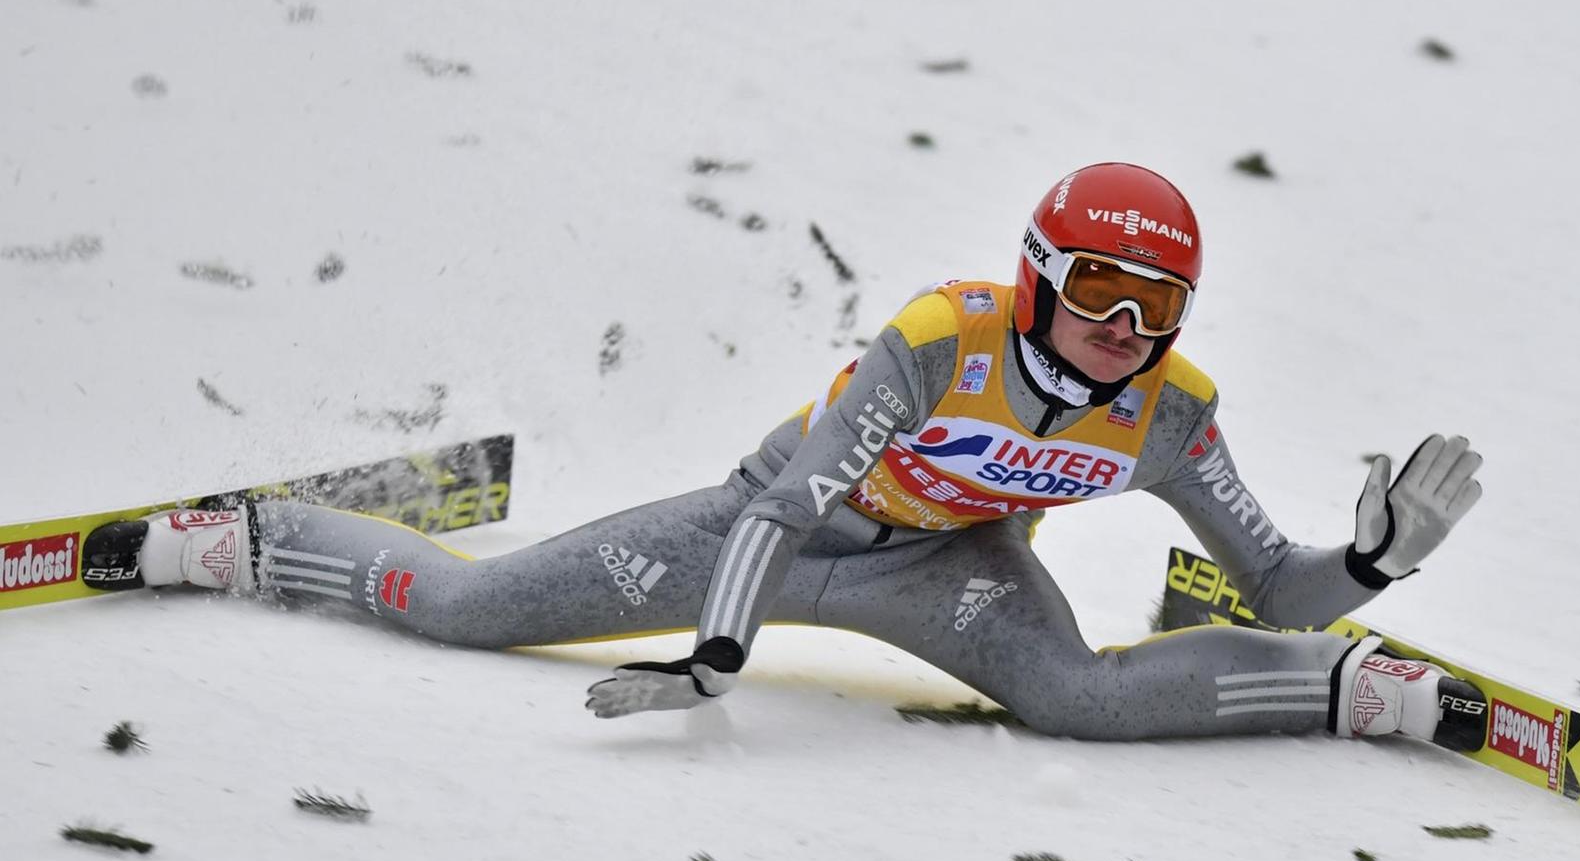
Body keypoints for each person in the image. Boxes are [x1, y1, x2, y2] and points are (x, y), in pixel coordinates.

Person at [88, 163, 1485, 745]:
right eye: (1101, 292)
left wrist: (1370, 565)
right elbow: (788, 504)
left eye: (1158, 306)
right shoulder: (942, 339)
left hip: (950, 576)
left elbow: (1274, 581)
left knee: (1073, 699)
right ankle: (259, 537)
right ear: (1039, 275)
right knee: (463, 612)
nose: (1126, 330)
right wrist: (716, 656)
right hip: (769, 539)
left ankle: (1347, 700)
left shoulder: (1171, 411)